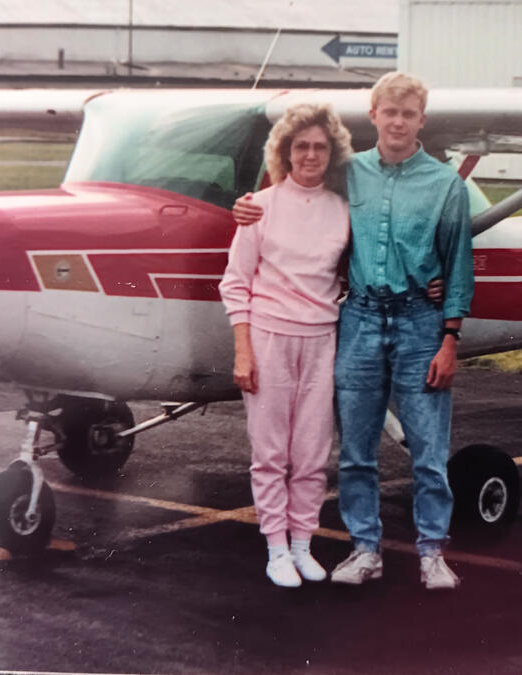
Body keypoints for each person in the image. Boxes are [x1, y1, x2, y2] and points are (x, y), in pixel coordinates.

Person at [232, 72, 474, 590]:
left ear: (421, 121)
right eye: (390, 112)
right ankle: (365, 549)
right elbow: (297, 192)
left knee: (428, 449)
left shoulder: (446, 185)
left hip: (420, 323)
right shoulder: (351, 174)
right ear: (374, 116)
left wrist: (450, 336)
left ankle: (432, 551)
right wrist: (245, 205)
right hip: (360, 319)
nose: (398, 122)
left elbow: (458, 264)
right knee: (355, 450)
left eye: (408, 114)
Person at [219, 103, 352, 588]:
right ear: (285, 151)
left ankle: (302, 545)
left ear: (331, 153)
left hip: (321, 339)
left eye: (320, 146)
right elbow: (235, 283)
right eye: (301, 146)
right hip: (269, 338)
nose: (310, 155)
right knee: (271, 453)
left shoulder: (343, 210)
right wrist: (243, 350)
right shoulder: (259, 206)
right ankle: (276, 548)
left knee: (313, 453)